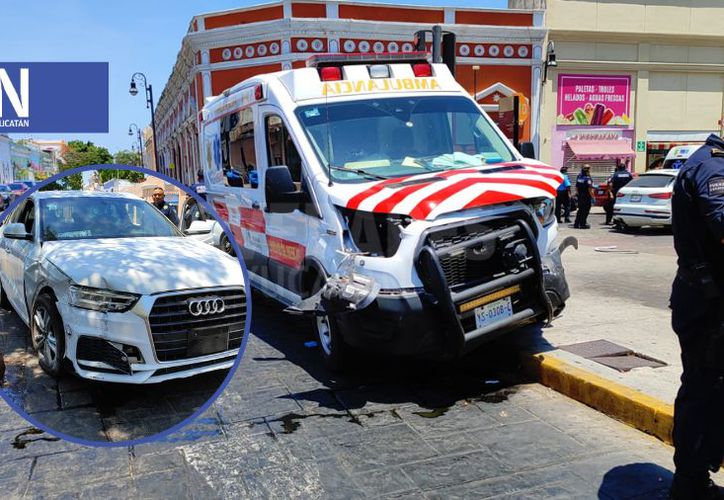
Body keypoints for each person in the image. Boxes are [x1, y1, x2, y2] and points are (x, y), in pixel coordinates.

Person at [669, 133, 724, 499]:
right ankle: (691, 480)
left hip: (704, 299)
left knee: (707, 388)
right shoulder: (712, 166)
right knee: (704, 388)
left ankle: (695, 473)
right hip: (709, 305)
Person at [574, 165, 594, 229]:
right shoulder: (587, 178)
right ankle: (583, 224)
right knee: (585, 211)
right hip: (586, 197)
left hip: (580, 196)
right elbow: (590, 189)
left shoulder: (579, 176)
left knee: (580, 210)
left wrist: (578, 194)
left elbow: (576, 187)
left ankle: (576, 224)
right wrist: (593, 197)